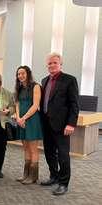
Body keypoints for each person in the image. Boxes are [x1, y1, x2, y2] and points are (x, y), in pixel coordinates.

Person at [40, 53, 79, 195]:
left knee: (63, 155)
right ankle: (54, 176)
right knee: (49, 153)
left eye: (55, 63)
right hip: (46, 124)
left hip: (62, 125)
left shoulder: (69, 80)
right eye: (49, 63)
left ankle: (63, 183)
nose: (52, 65)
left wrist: (71, 124)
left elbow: (74, 104)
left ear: (60, 64)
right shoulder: (44, 80)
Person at [14, 66, 43, 184]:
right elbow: (17, 104)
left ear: (28, 74)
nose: (20, 76)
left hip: (32, 120)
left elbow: (35, 105)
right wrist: (18, 118)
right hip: (21, 120)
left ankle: (33, 176)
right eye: (18, 74)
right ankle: (26, 174)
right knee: (25, 148)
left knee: (33, 149)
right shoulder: (19, 88)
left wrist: (24, 118)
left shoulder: (35, 86)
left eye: (22, 73)